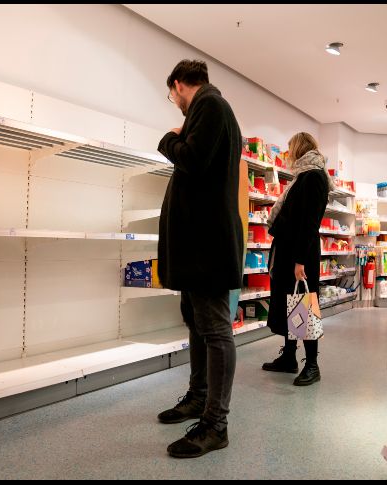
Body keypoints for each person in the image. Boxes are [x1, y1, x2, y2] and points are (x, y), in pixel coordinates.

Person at [155, 59, 244, 459]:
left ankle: (215, 424)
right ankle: (198, 397)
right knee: (197, 322)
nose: (173, 102)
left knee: (215, 329)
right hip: (199, 246)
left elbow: (191, 159)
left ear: (178, 85)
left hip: (207, 247)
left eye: (171, 95)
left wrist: (168, 139)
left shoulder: (209, 106)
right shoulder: (212, 109)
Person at [262, 132, 333, 386]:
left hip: (299, 254)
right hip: (289, 251)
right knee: (289, 304)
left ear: (299, 149)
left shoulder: (314, 177)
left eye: (290, 148)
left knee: (303, 305)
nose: (288, 153)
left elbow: (310, 222)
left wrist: (300, 260)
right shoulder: (302, 177)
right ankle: (289, 357)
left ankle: (312, 365)